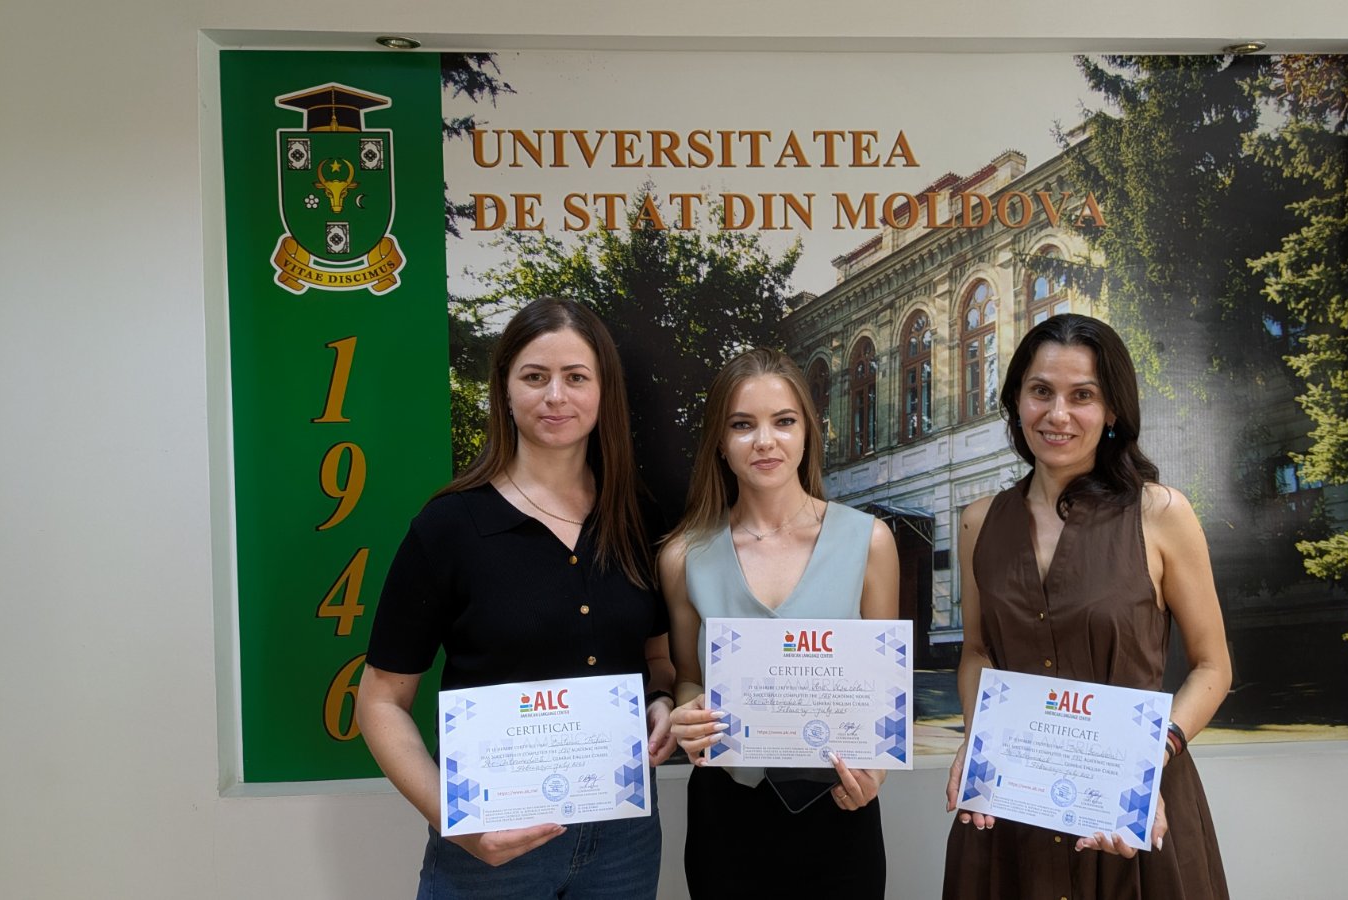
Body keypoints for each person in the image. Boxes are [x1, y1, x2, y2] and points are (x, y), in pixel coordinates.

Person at [355, 298, 677, 900]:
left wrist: (660, 701)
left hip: (623, 843)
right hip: (491, 845)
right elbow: (379, 701)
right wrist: (457, 822)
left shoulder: (638, 517)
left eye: (576, 377)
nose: (556, 396)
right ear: (504, 389)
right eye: (534, 376)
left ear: (603, 391)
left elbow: (657, 660)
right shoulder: (448, 528)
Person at [942, 314, 1231, 900]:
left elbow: (1213, 666)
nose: (1058, 415)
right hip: (1010, 812)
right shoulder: (978, 522)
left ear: (1113, 411)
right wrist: (979, 741)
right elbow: (977, 652)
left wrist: (1145, 766)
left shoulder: (1160, 513)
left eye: (1083, 396)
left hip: (1134, 813)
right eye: (1040, 391)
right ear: (1016, 400)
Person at [661, 348, 899, 900]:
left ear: (808, 432)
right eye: (743, 425)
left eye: (784, 421)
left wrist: (877, 772)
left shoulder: (869, 541)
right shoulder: (684, 555)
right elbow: (689, 678)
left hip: (839, 805)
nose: (765, 441)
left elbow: (886, 685)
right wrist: (687, 713)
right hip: (726, 814)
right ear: (720, 443)